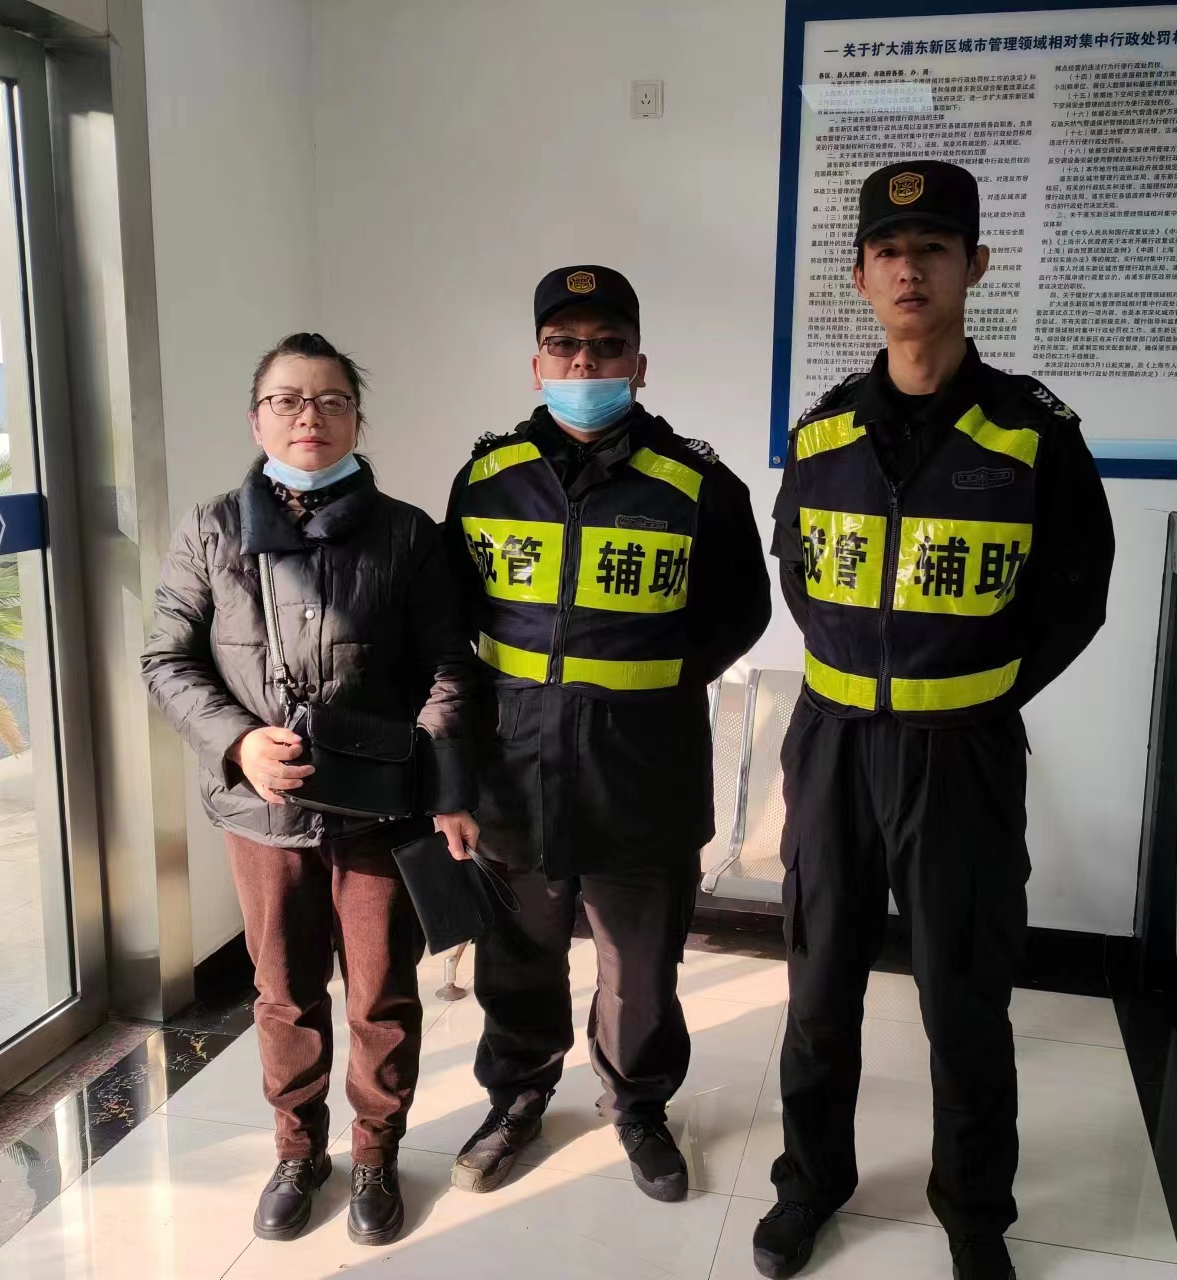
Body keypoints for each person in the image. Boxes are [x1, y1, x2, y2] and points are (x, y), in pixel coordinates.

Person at [752, 163, 1115, 1280]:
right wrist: (862, 681)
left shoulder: (1031, 432)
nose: (909, 269)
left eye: (934, 248)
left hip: (960, 755)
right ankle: (810, 1183)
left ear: (974, 266)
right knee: (819, 988)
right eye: (889, 251)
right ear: (861, 275)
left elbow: (1076, 594)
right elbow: (799, 574)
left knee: (963, 996)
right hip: (833, 749)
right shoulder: (823, 432)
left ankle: (974, 1212)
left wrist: (973, 689)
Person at [141, 332, 479, 1248]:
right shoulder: (212, 530)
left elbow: (450, 667)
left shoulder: (408, 533)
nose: (309, 417)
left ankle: (375, 1152)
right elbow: (167, 657)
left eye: (331, 400)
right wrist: (238, 741)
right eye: (287, 400)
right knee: (284, 992)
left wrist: (444, 788)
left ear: (357, 419)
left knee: (380, 992)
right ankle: (298, 1152)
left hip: (381, 809)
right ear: (256, 420)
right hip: (263, 812)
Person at [440, 266, 770, 1203]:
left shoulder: (697, 484)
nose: (584, 363)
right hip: (514, 767)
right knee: (518, 957)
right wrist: (455, 773)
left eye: (606, 346)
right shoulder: (489, 480)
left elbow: (740, 611)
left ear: (639, 363)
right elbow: (451, 628)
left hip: (642, 769)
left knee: (640, 970)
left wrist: (643, 687)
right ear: (537, 364)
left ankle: (638, 1106)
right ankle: (517, 1097)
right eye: (564, 346)